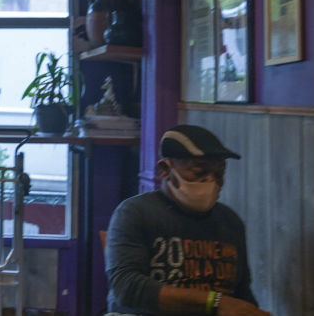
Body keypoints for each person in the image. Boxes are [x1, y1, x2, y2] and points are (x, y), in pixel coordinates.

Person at [105, 124, 270, 315]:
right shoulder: (135, 212)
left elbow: (241, 294)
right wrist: (215, 302)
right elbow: (127, 286)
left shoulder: (230, 221)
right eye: (199, 172)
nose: (211, 180)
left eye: (219, 173)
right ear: (165, 170)